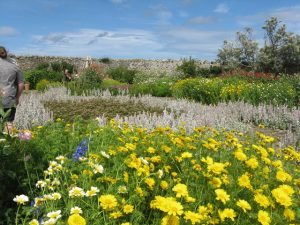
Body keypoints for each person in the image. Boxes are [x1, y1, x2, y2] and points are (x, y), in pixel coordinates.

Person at [0, 46, 24, 134]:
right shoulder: (15, 65)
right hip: (9, 98)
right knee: (9, 123)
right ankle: (8, 144)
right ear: (6, 52)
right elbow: (21, 84)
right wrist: (17, 98)